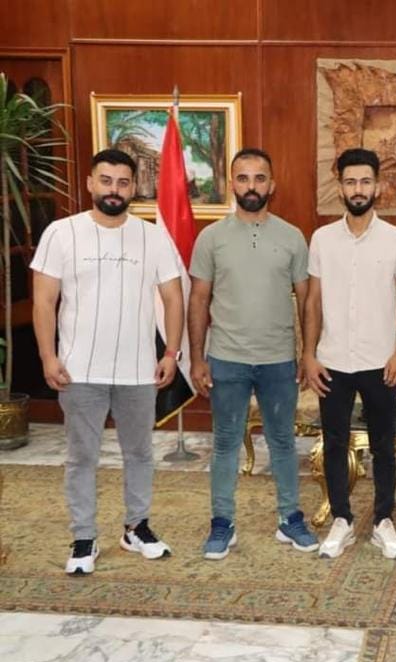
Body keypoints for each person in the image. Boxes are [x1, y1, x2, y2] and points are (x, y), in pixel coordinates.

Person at [31, 149, 184, 575]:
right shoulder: (62, 233)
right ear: (90, 183)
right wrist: (47, 356)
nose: (114, 190)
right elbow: (43, 301)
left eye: (122, 182)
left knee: (140, 453)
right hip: (79, 372)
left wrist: (171, 352)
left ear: (134, 188)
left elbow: (174, 297)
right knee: (82, 457)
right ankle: (84, 537)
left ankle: (136, 528)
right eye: (106, 180)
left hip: (139, 371)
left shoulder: (153, 237)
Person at [188, 147, 318, 559]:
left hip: (279, 360)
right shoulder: (211, 238)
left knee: (283, 441)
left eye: (259, 178)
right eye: (243, 178)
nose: (251, 186)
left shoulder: (292, 236)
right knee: (226, 443)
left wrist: (308, 353)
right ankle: (222, 523)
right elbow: (198, 300)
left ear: (271, 185)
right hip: (227, 358)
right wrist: (197, 358)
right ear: (232, 184)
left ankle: (290, 518)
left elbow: (307, 301)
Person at [303, 148, 396, 560]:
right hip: (332, 359)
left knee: (385, 444)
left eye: (365, 181)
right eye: (350, 182)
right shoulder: (322, 239)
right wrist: (309, 354)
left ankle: (384, 520)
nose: (358, 189)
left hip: (381, 361)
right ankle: (342, 520)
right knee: (335, 442)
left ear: (377, 187)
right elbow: (313, 301)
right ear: (341, 188)